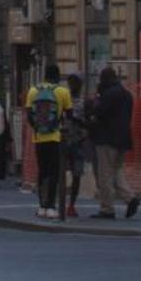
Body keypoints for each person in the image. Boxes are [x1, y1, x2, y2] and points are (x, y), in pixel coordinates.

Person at [88, 66, 140, 219]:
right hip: (123, 138)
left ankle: (107, 208)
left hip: (107, 138)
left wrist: (96, 100)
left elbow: (98, 112)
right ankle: (130, 198)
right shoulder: (126, 94)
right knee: (116, 171)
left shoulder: (108, 94)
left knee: (105, 174)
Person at [24, 64, 70, 220]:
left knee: (42, 171)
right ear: (57, 76)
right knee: (54, 172)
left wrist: (38, 128)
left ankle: (41, 206)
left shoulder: (33, 91)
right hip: (56, 137)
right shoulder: (63, 92)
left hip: (38, 138)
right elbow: (68, 115)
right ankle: (51, 205)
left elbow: (29, 115)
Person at [61, 73, 91, 218]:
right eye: (71, 82)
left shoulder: (85, 102)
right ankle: (58, 204)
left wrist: (80, 123)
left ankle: (71, 205)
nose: (73, 85)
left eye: (75, 83)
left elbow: (88, 122)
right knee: (60, 172)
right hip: (64, 140)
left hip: (78, 142)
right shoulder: (63, 100)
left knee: (77, 174)